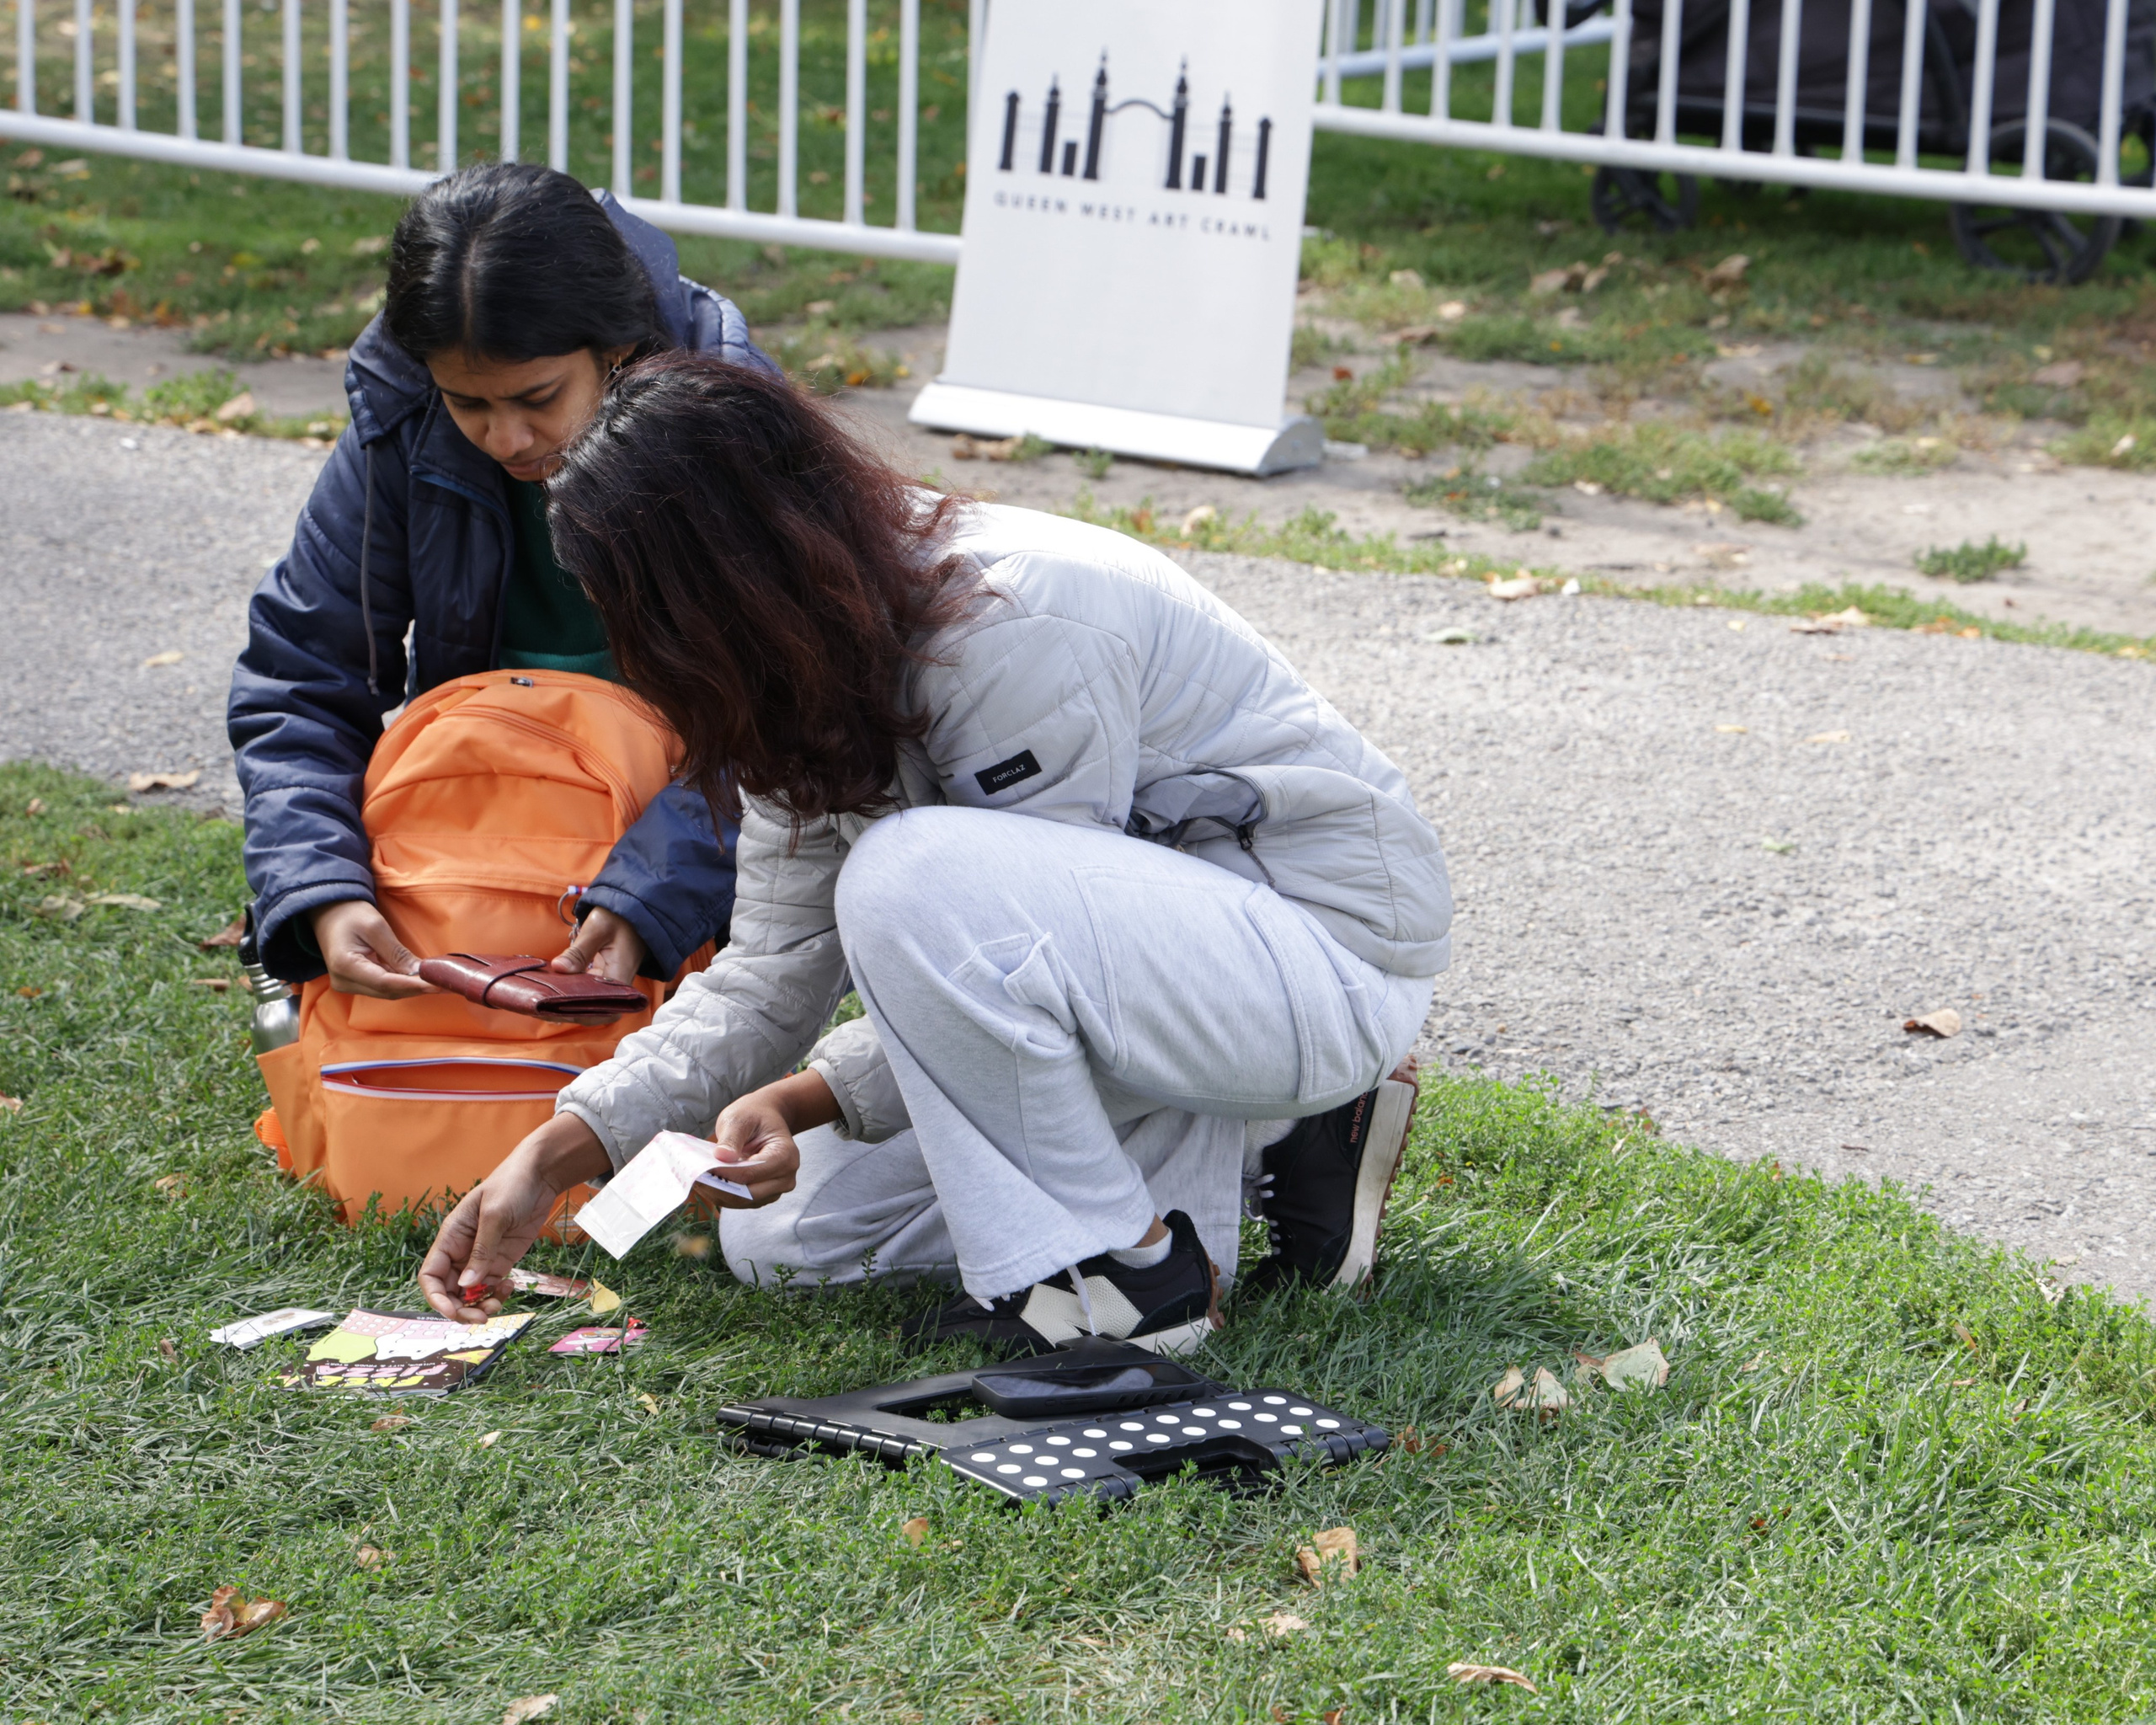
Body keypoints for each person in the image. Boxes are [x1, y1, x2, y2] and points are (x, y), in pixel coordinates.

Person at [417, 352, 1452, 1355]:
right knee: (780, 1241)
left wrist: (819, 1089)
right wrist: (557, 1151)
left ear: (725, 582)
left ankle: (1132, 1277)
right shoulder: (792, 658)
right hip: (1162, 976)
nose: (637, 646)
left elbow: (1017, 963)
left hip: (1324, 959)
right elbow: (771, 972)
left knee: (909, 874)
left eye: (639, 610)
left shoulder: (1010, 618)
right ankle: (1260, 1146)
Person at [229, 163, 771, 995]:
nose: (505, 437)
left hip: (680, 838)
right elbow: (300, 674)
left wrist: (650, 897)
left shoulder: (733, 422)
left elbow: (790, 712)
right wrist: (321, 890)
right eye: (468, 403)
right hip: (478, 829)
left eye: (537, 397)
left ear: (619, 348)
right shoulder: (399, 417)